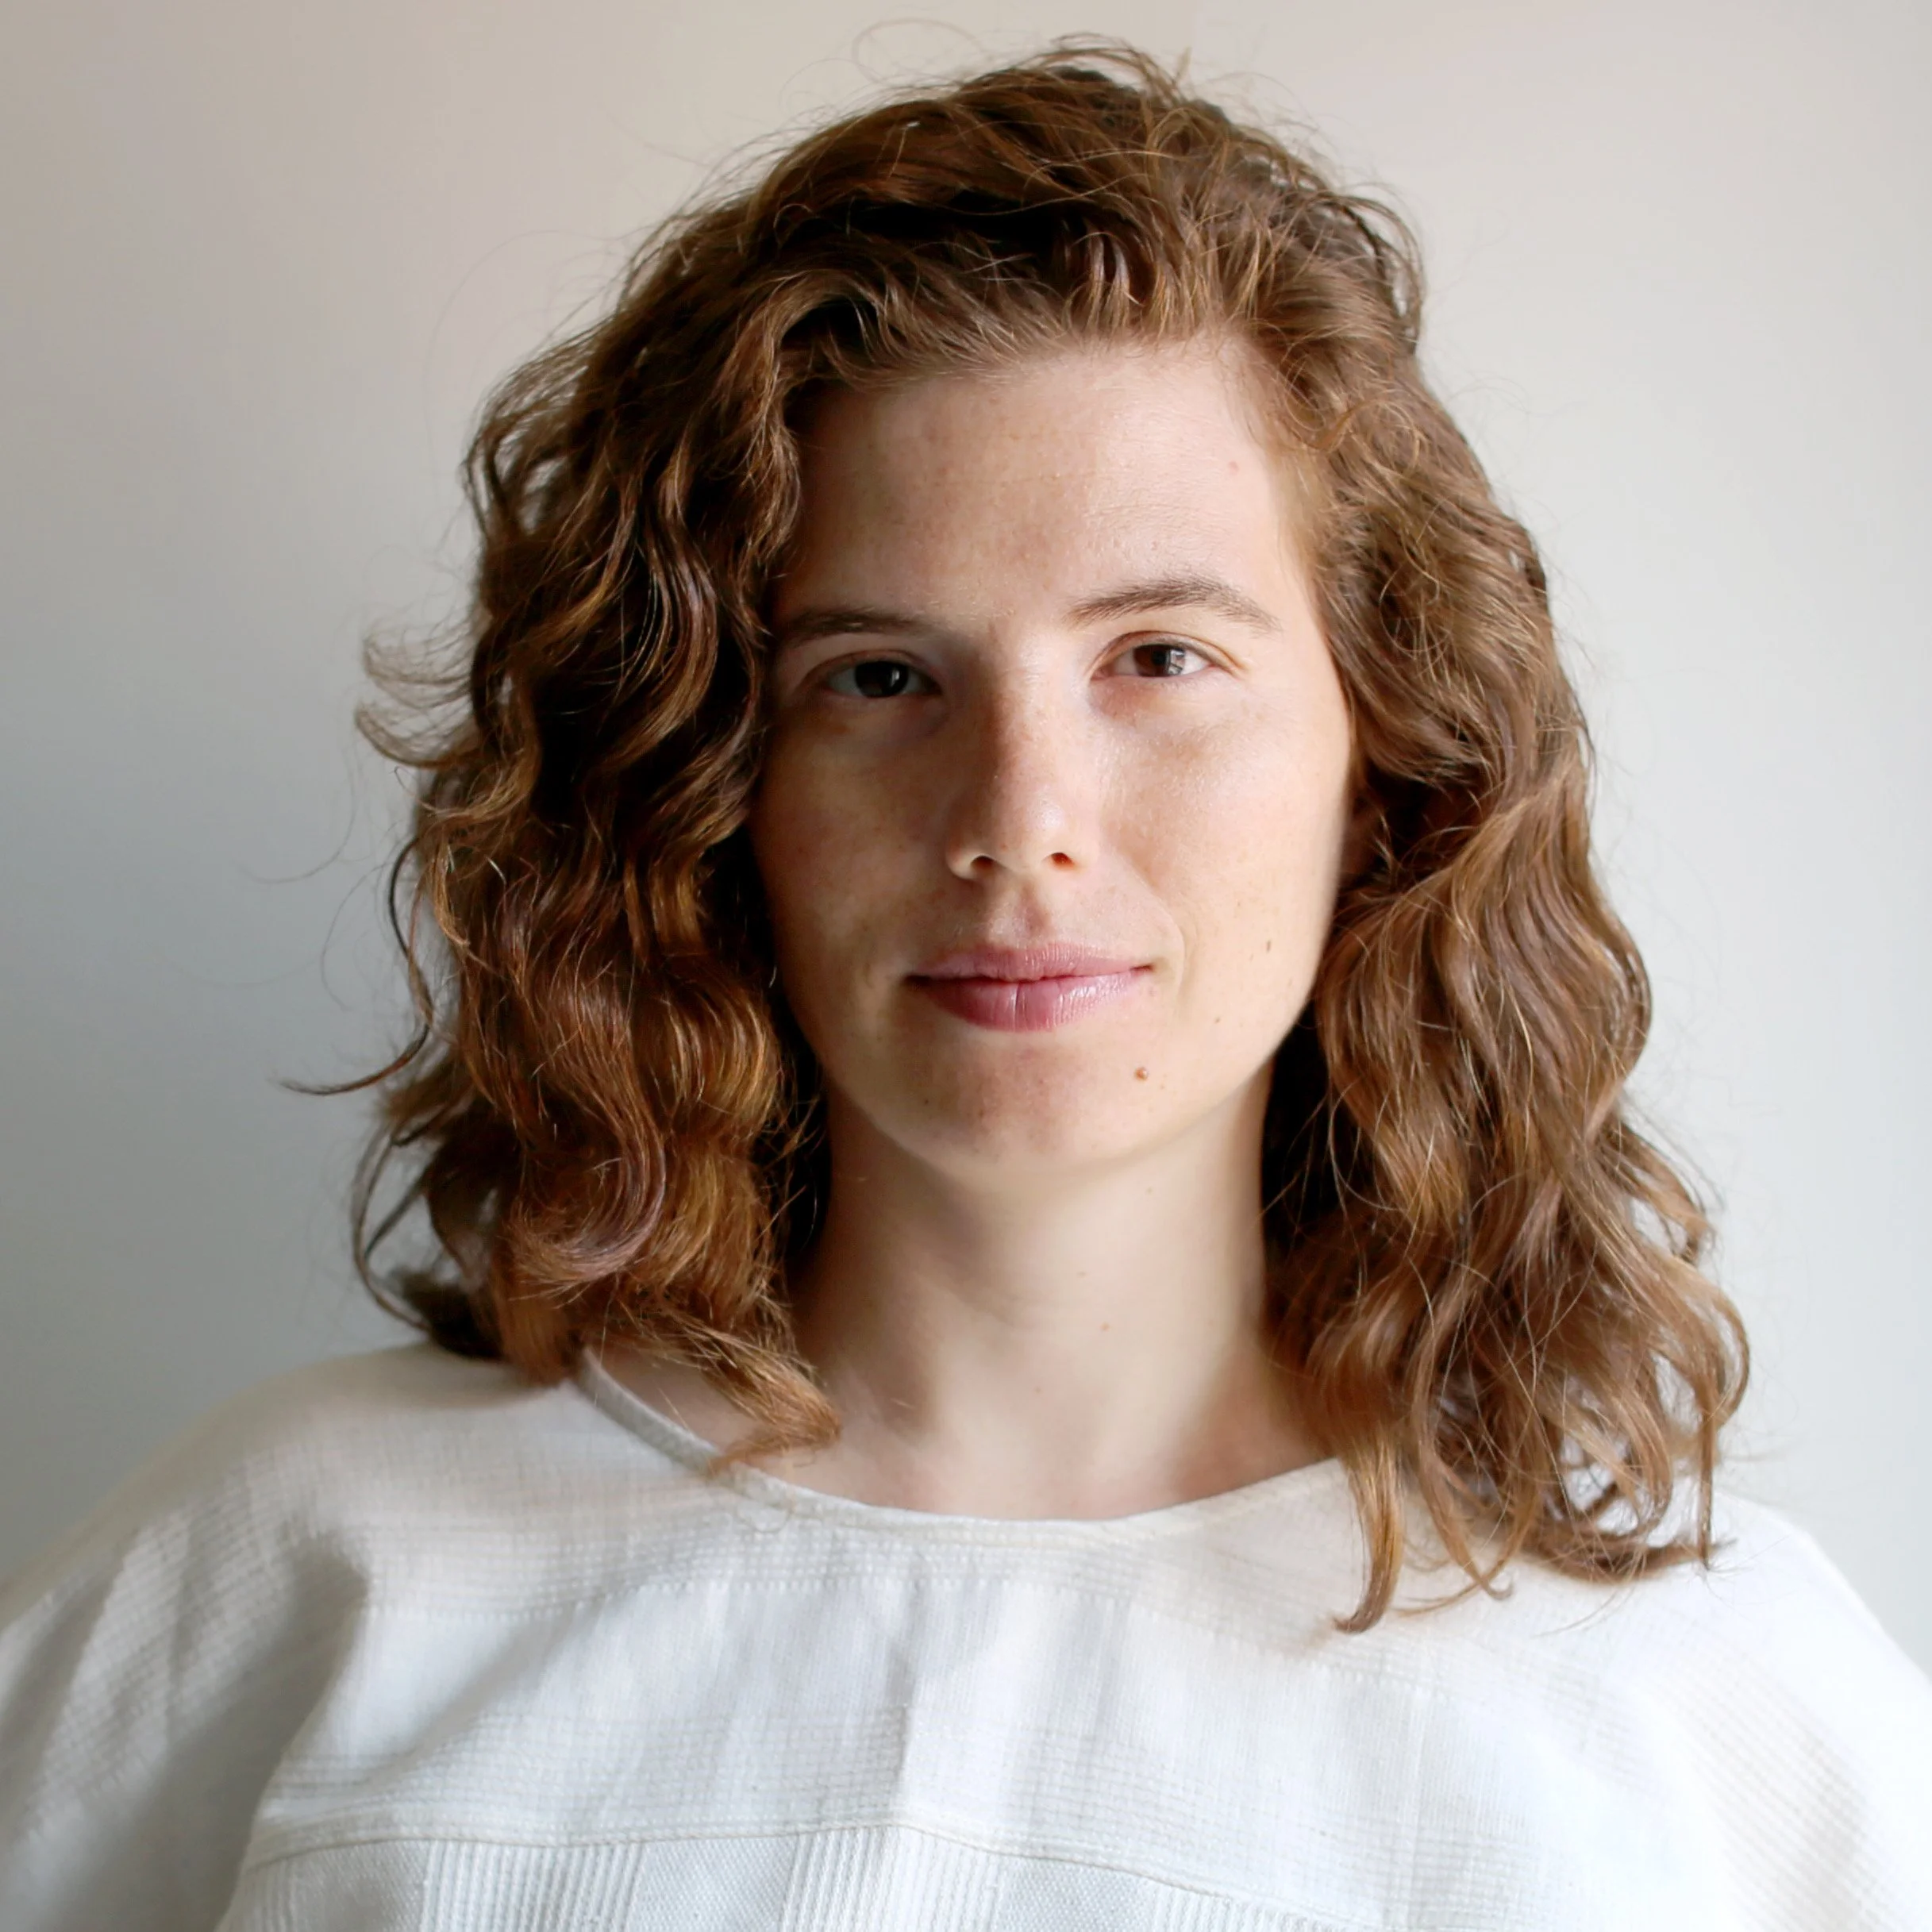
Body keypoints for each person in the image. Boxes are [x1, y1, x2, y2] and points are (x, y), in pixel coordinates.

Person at [1, 40, 1926, 1932]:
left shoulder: (1712, 1718)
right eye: (877, 676)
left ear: (1390, 771)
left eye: (1157, 659)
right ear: (711, 783)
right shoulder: (294, 1577)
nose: (1017, 822)